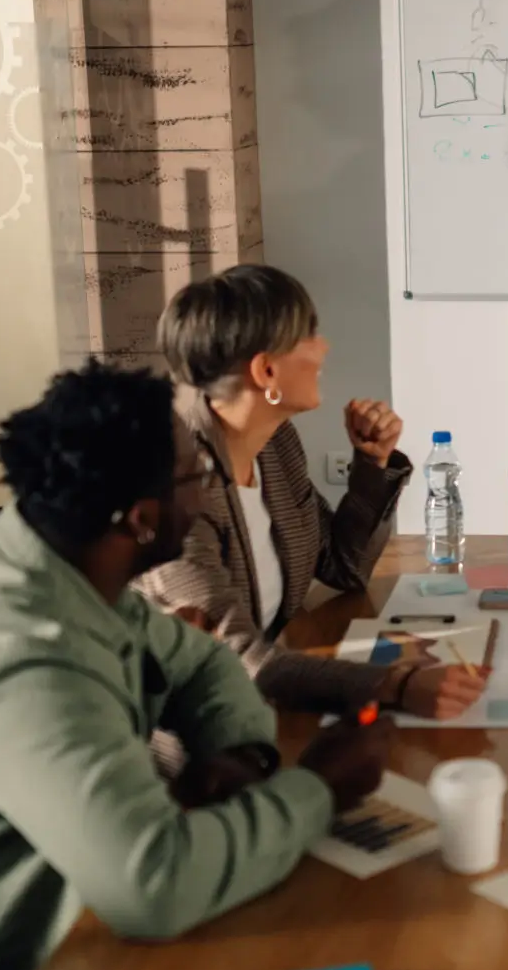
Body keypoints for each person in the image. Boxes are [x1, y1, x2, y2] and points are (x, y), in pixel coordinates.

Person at [0, 362, 394, 970]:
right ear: (142, 519)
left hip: (92, 935)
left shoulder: (62, 561)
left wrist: (239, 752)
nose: (207, 494)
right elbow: (155, 886)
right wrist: (318, 787)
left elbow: (201, 662)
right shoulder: (29, 660)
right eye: (195, 476)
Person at [139, 264, 485, 720]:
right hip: (206, 732)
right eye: (310, 335)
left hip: (277, 700)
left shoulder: (274, 444)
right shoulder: (178, 491)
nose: (324, 348)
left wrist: (372, 464)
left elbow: (343, 566)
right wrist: (394, 684)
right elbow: (232, 657)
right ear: (266, 371)